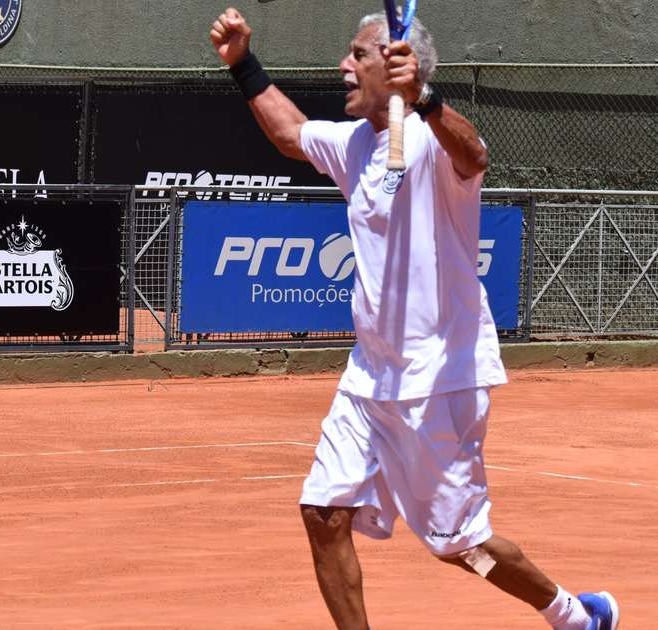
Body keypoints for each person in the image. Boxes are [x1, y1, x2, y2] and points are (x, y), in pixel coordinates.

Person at [210, 8, 619, 630]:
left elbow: (475, 152)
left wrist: (424, 99)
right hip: (368, 379)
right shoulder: (354, 145)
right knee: (322, 513)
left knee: (460, 547)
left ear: (396, 66)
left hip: (441, 379)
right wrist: (243, 64)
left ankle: (573, 615)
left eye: (357, 56)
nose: (343, 67)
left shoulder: (432, 140)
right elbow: (291, 132)